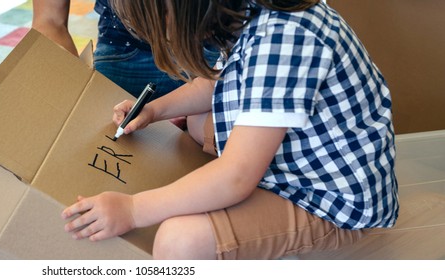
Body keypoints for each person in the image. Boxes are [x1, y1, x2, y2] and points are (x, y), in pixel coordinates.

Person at [60, 0, 399, 259]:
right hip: (296, 160)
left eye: (161, 25)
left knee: (178, 242)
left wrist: (133, 210)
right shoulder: (244, 13)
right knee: (196, 122)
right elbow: (214, 84)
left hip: (330, 202)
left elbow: (236, 177)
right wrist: (154, 110)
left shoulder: (282, 40)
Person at [32, 0, 218, 101]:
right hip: (123, 48)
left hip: (212, 51)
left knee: (206, 131)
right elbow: (49, 20)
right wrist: (73, 102)